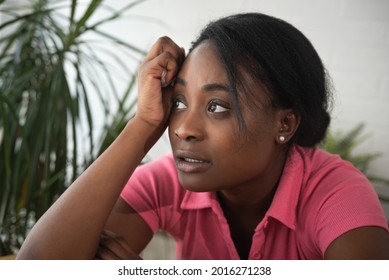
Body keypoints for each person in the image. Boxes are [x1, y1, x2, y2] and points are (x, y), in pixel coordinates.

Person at [17, 13, 389, 260]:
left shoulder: (336, 194)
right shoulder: (167, 183)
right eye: (179, 101)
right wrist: (143, 125)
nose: (182, 129)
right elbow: (37, 266)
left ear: (285, 124)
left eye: (216, 107)